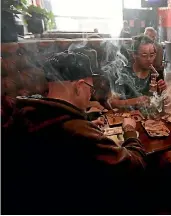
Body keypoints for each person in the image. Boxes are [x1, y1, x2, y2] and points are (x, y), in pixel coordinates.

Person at [2, 51, 147, 214]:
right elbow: (134, 166)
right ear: (79, 86)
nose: (90, 94)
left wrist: (85, 125)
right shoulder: (76, 132)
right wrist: (129, 131)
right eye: (90, 88)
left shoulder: (27, 113)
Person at [109, 35, 167, 108]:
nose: (149, 59)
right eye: (144, 55)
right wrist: (136, 101)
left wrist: (163, 92)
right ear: (134, 55)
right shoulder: (123, 74)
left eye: (152, 55)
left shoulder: (157, 73)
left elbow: (159, 102)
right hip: (127, 116)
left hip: (150, 117)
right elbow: (112, 102)